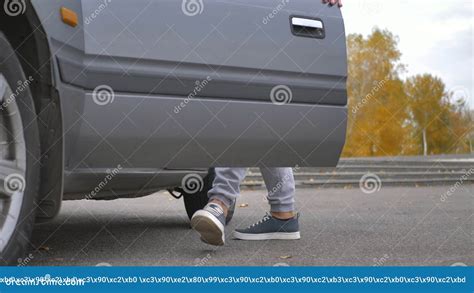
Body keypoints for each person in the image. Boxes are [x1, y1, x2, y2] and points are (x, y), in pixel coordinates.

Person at [190, 0, 343, 246]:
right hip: (251, 27)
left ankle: (221, 202)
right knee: (264, 117)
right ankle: (283, 215)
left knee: (249, 109)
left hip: (267, 30)